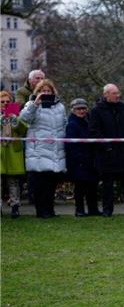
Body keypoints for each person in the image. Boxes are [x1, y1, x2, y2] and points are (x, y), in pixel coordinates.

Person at [19, 78, 66, 218]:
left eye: (48, 91)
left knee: (52, 183)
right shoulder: (31, 104)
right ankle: (41, 211)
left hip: (55, 150)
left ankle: (50, 210)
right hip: (38, 150)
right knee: (40, 184)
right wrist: (34, 105)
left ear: (53, 92)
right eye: (43, 91)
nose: (46, 93)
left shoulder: (60, 106)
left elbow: (64, 124)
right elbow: (23, 119)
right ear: (37, 92)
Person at [88, 83, 124, 216]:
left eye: (118, 93)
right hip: (106, 154)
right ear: (106, 95)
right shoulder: (96, 111)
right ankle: (107, 210)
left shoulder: (123, 108)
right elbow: (94, 131)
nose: (117, 96)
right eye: (114, 93)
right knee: (107, 184)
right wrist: (107, 147)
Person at [64, 98, 99, 217]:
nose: (81, 111)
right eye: (78, 109)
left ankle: (93, 208)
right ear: (73, 110)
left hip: (90, 158)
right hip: (78, 160)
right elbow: (70, 145)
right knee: (80, 187)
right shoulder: (72, 124)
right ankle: (79, 209)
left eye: (83, 108)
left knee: (92, 185)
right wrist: (79, 158)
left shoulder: (89, 121)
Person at [1, 90, 27, 218]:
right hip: (1, 152)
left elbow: (23, 130)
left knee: (13, 182)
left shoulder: (15, 114)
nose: (5, 104)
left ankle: (15, 207)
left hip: (13, 151)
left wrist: (15, 120)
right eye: (2, 102)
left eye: (8, 101)